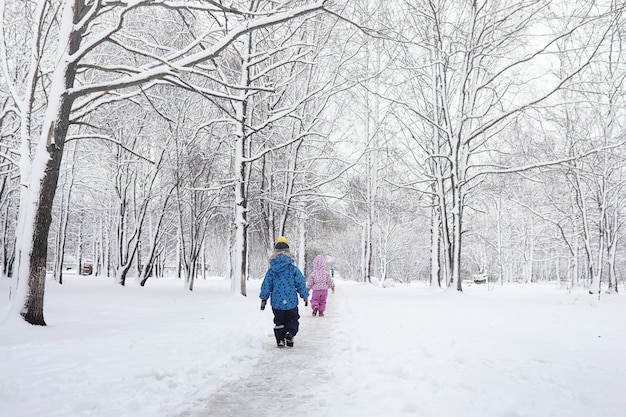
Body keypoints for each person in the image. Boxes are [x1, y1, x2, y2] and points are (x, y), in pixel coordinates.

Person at [259, 236, 309, 348]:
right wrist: (304, 296)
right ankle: (290, 334)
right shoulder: (293, 269)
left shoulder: (272, 270)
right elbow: (300, 283)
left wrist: (264, 299)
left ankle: (280, 340)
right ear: (288, 253)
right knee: (292, 319)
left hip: (277, 302)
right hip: (291, 301)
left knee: (279, 321)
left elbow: (266, 285)